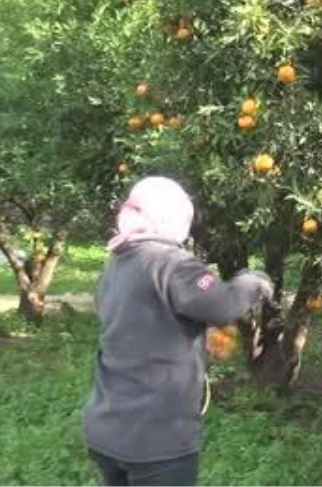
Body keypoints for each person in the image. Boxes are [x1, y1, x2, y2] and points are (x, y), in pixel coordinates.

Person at [82, 176, 273, 487]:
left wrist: (195, 330)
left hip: (108, 427)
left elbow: (144, 320)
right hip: (155, 438)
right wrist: (252, 282)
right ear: (171, 218)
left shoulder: (117, 263)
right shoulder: (172, 263)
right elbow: (224, 305)